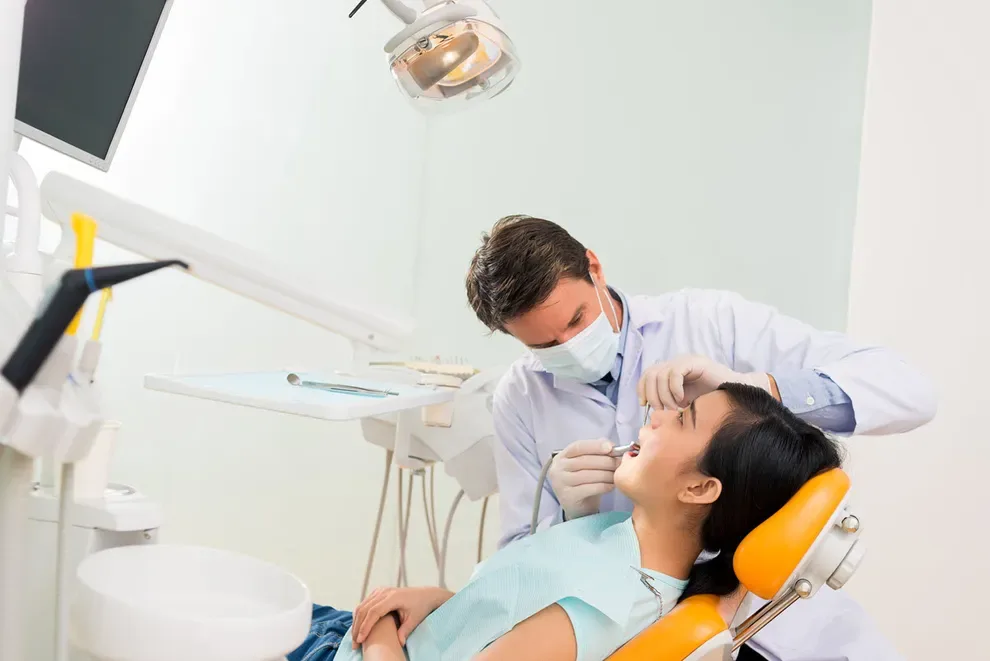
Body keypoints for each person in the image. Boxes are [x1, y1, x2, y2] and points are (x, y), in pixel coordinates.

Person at [465, 215, 936, 661]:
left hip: (779, 625)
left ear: (594, 268)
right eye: (543, 346)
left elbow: (910, 391)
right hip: (638, 635)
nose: (568, 346)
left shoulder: (710, 320)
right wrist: (571, 519)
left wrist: (756, 390)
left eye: (576, 320)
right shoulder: (520, 397)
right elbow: (516, 573)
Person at [289, 384, 843, 661]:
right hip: (376, 635)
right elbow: (506, 616)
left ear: (699, 488)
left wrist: (382, 632)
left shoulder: (600, 607)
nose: (655, 416)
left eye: (681, 419)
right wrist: (434, 598)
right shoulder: (616, 542)